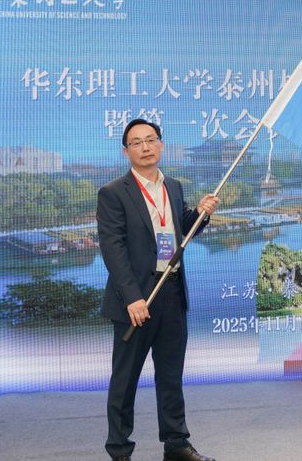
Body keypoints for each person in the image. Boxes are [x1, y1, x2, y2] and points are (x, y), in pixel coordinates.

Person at [97, 119, 219, 461]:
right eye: (136, 142)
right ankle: (120, 451)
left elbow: (180, 230)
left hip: (172, 292)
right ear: (126, 152)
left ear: (161, 144)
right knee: (125, 380)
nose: (145, 147)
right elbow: (113, 249)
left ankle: (176, 444)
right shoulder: (113, 193)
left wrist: (201, 214)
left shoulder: (173, 186)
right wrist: (132, 297)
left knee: (170, 376)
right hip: (137, 300)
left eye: (150, 140)